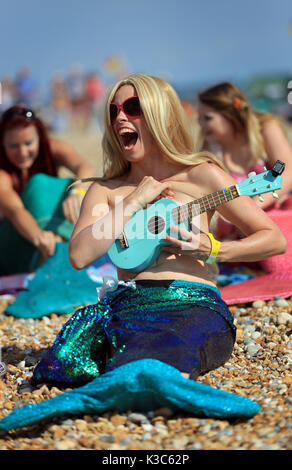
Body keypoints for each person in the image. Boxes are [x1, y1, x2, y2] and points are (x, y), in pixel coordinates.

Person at [31, 74, 286, 387]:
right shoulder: (105, 190)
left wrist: (214, 249)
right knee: (65, 363)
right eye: (113, 111)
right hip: (126, 304)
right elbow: (80, 256)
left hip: (191, 303)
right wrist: (134, 200)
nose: (120, 117)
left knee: (159, 358)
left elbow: (274, 239)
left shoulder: (202, 177)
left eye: (133, 107)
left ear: (160, 115)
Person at [197, 81, 292, 277]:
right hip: (234, 224)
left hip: (274, 210)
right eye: (200, 118)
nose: (201, 125)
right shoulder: (212, 145)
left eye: (207, 118)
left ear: (229, 115)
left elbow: (287, 172)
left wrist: (255, 207)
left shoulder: (265, 128)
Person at [0, 105, 97, 274]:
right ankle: (58, 252)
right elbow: (16, 211)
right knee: (39, 183)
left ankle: (61, 249)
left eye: (28, 143)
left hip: (51, 234)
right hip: (16, 244)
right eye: (13, 146)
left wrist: (77, 193)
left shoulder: (52, 148)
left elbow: (85, 167)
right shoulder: (2, 174)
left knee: (73, 185)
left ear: (40, 138)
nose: (22, 152)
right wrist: (40, 237)